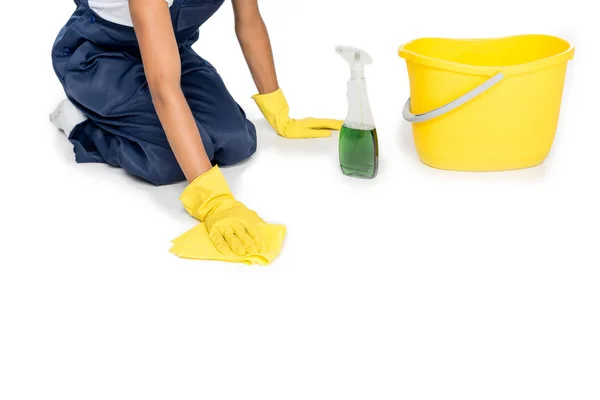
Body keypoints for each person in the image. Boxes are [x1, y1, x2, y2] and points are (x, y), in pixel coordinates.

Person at [50, 0, 342, 256]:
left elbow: (249, 24)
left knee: (237, 140)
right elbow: (165, 90)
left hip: (168, 52)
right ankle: (79, 122)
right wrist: (215, 201)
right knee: (170, 160)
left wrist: (279, 112)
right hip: (99, 58)